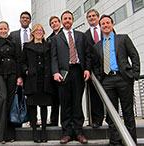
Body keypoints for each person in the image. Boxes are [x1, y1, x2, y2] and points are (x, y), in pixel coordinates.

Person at [92, 14, 140, 146]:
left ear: (112, 24)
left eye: (108, 23)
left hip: (123, 79)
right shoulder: (97, 46)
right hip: (107, 81)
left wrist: (134, 74)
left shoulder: (123, 39)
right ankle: (115, 142)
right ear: (100, 27)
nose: (105, 25)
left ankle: (130, 141)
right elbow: (96, 65)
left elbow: (134, 56)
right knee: (111, 115)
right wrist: (100, 79)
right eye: (103, 24)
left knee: (128, 113)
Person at [50, 10, 90, 144]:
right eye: (65, 19)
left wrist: (87, 69)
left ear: (72, 21)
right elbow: (53, 57)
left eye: (69, 18)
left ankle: (79, 132)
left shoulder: (81, 36)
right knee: (65, 103)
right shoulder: (56, 38)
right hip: (63, 73)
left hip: (78, 71)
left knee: (77, 102)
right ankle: (67, 132)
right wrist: (55, 72)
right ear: (62, 22)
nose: (67, 20)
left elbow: (86, 54)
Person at [0, 21, 23, 144]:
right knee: (2, 99)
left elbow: (18, 59)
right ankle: (1, 134)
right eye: (0, 28)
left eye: (5, 28)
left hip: (12, 73)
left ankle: (10, 133)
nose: (3, 31)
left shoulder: (13, 42)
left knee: (10, 101)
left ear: (8, 29)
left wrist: (19, 76)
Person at [22, 24, 54, 143]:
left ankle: (44, 130)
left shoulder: (48, 45)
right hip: (32, 79)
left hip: (45, 79)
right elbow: (22, 61)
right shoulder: (27, 46)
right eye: (37, 30)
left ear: (43, 32)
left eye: (41, 30)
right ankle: (35, 130)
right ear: (33, 32)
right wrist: (26, 70)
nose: (39, 32)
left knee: (44, 106)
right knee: (33, 106)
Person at [10, 11, 31, 127]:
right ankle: (17, 120)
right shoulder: (13, 35)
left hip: (31, 70)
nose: (25, 19)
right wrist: (18, 74)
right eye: (23, 18)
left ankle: (32, 119)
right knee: (18, 96)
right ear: (20, 20)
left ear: (30, 20)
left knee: (31, 96)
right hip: (17, 69)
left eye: (27, 18)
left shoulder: (34, 33)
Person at [85, 9, 104, 128]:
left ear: (98, 17)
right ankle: (96, 120)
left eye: (93, 16)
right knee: (94, 97)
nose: (91, 18)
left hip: (107, 68)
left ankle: (113, 120)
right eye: (89, 16)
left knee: (110, 96)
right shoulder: (85, 35)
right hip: (93, 71)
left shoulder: (106, 29)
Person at [46, 16, 62, 127]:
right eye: (52, 23)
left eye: (56, 22)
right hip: (54, 72)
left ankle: (67, 121)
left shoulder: (66, 35)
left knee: (66, 99)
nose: (54, 24)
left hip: (66, 70)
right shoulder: (49, 39)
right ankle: (54, 120)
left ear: (60, 23)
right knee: (54, 98)